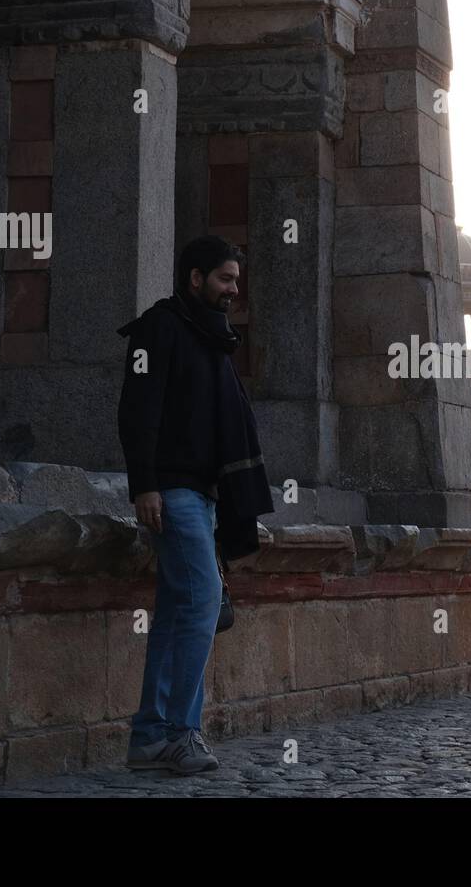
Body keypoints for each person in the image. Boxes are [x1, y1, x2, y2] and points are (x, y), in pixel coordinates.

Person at [117, 236, 275, 774]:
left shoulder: (212, 340)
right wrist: (144, 485)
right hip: (173, 492)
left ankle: (148, 738)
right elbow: (137, 410)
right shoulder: (159, 329)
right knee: (204, 604)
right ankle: (183, 733)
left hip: (201, 497)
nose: (234, 290)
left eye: (236, 280)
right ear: (194, 278)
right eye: (225, 279)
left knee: (176, 614)